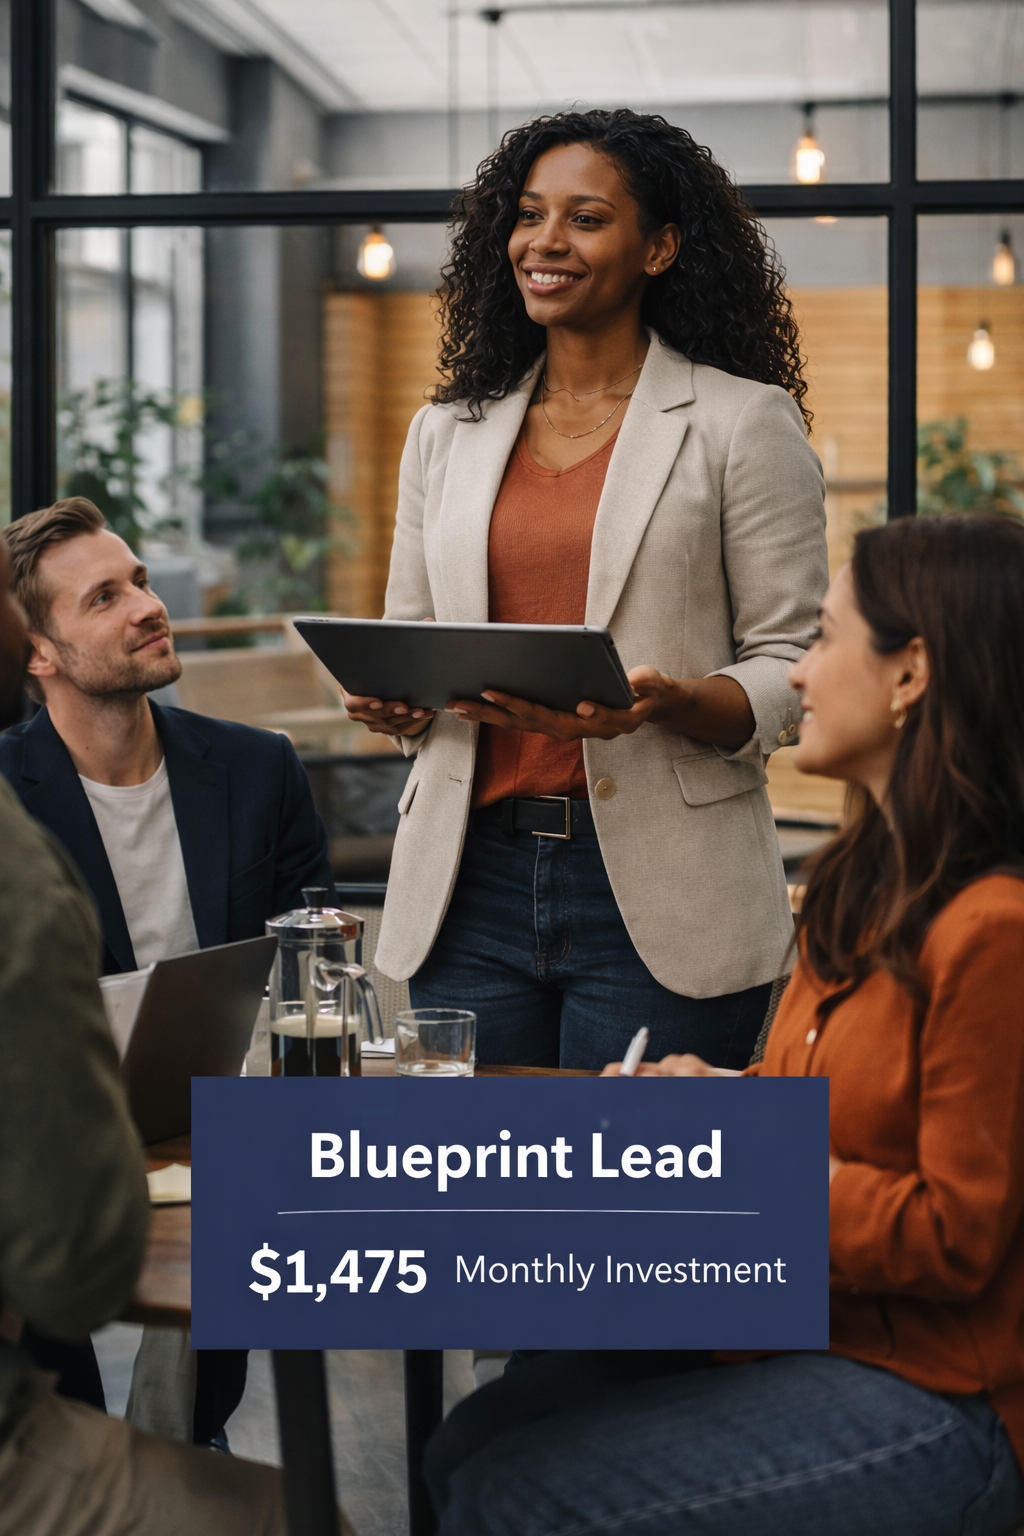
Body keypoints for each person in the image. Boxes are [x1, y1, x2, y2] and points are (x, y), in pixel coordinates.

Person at [423, 513, 1024, 1536]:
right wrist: (717, 1100)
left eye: (824, 638)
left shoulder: (994, 935)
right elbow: (829, 1118)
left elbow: (951, 1237)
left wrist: (746, 1154)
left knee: (511, 1490)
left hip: (944, 1398)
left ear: (910, 674)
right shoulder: (855, 892)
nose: (795, 677)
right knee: (467, 1446)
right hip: (809, 1336)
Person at [343, 108, 828, 1071]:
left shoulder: (741, 424)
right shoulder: (446, 432)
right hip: (463, 882)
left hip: (662, 892)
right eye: (528, 215)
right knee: (477, 1194)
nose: (545, 243)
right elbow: (413, 634)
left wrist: (674, 703)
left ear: (660, 247)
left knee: (643, 1195)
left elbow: (798, 662)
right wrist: (391, 700)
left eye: (586, 218)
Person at [0, 532, 320, 1536]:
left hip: (221, 1112)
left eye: (140, 580)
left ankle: (169, 1445)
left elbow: (307, 969)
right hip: (56, 1134)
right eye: (103, 597)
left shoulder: (259, 768)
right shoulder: (8, 798)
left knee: (245, 1177)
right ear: (38, 652)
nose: (146, 605)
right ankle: (115, 1450)